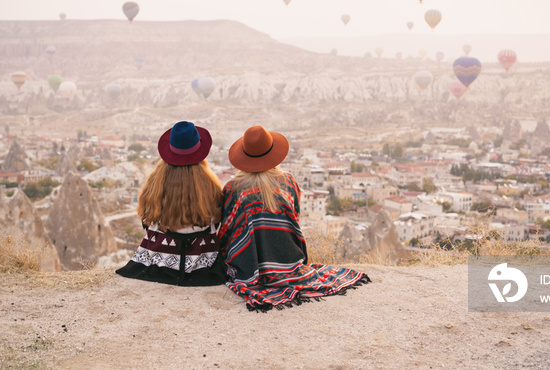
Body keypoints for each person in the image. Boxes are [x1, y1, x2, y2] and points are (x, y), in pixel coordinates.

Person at [218, 125, 369, 311]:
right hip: (290, 260)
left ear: (244, 155)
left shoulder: (233, 188)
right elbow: (294, 218)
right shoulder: (288, 181)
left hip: (248, 267)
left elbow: (226, 230)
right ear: (272, 153)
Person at [116, 121, 227, 286]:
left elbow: (146, 218)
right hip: (203, 261)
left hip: (160, 257)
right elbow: (216, 220)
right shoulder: (210, 185)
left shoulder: (155, 183)